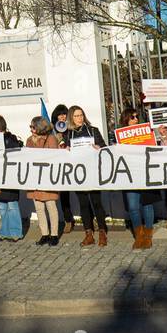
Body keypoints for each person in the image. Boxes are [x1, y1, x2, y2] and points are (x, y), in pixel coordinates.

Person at [63, 106, 109, 247]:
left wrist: (99, 148)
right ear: (71, 118)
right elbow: (65, 154)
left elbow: (104, 147)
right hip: (78, 174)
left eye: (81, 115)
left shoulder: (93, 130)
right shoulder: (68, 134)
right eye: (76, 116)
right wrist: (66, 150)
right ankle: (88, 233)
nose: (79, 118)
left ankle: (102, 232)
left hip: (92, 171)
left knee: (96, 202)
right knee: (83, 204)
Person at [117, 106, 155, 249]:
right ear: (126, 119)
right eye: (132, 117)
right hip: (130, 175)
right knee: (133, 206)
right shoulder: (120, 135)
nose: (136, 119)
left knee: (147, 204)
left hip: (145, 171)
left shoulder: (145, 132)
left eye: (136, 116)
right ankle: (138, 235)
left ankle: (148, 235)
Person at [25, 116, 63, 246]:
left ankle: (54, 234)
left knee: (51, 206)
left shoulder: (51, 138)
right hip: (35, 178)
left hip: (47, 178)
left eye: (33, 127)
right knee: (39, 207)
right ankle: (44, 233)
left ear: (40, 127)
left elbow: (54, 156)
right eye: (30, 127)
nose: (31, 129)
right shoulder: (29, 140)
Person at [0, 116, 24, 242]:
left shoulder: (11, 138)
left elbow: (16, 154)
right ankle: (4, 231)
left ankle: (16, 232)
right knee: (2, 206)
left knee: (12, 205)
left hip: (9, 178)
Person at [50, 104, 74, 232]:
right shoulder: (52, 132)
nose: (63, 117)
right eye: (60, 114)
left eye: (65, 114)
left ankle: (91, 219)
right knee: (64, 196)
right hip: (62, 167)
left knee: (83, 193)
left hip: (75, 165)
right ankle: (68, 220)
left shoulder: (72, 129)